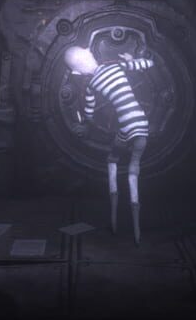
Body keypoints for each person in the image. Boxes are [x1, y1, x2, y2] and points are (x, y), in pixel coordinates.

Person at [64, 45, 155, 245]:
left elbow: (89, 112)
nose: (89, 50)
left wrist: (85, 120)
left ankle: (114, 219)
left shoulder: (91, 85)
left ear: (77, 72)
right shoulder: (116, 66)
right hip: (141, 122)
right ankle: (137, 233)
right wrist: (131, 60)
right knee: (134, 167)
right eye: (87, 51)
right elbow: (148, 63)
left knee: (113, 159)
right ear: (90, 55)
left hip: (126, 126)